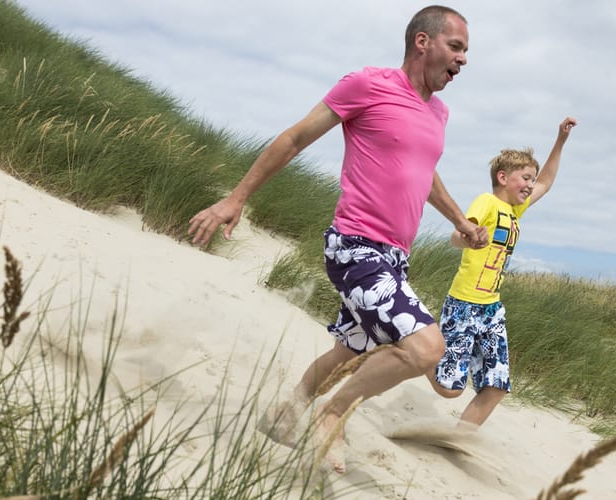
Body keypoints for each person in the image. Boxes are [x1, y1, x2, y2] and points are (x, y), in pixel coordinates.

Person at [188, 5, 487, 473]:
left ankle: (281, 417)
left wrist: (461, 222)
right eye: (457, 47)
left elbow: (423, 174)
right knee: (426, 348)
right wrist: (235, 198)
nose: (463, 59)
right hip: (356, 247)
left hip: (395, 257)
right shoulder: (368, 84)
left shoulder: (439, 112)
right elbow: (294, 139)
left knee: (348, 354)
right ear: (423, 42)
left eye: (466, 51)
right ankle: (332, 414)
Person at [427, 116, 577, 429]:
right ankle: (418, 351)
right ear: (503, 177)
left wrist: (560, 141)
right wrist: (466, 237)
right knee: (449, 389)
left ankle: (458, 440)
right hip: (464, 303)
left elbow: (547, 183)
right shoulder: (488, 202)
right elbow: (460, 233)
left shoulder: (515, 211)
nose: (531, 184)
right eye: (525, 177)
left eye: (531, 179)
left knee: (496, 386)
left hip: (492, 309)